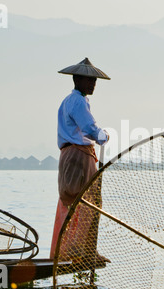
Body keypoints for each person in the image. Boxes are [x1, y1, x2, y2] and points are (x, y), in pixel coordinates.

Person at [50, 57, 111, 265]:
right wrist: (103, 136)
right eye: (89, 81)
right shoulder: (77, 101)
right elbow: (90, 129)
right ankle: (85, 253)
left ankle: (74, 251)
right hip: (78, 156)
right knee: (89, 202)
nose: (93, 84)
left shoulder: (70, 101)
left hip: (70, 156)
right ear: (78, 80)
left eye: (94, 81)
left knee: (73, 203)